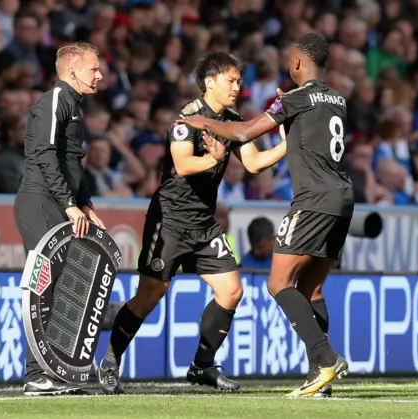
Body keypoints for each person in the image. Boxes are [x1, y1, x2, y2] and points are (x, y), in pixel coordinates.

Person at [96, 52, 287, 395]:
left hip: (204, 224)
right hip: (169, 220)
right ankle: (110, 361)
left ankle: (202, 365)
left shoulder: (231, 120)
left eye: (239, 81)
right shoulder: (186, 119)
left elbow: (255, 163)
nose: (236, 87)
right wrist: (212, 157)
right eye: (231, 80)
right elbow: (182, 165)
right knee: (150, 296)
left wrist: (286, 146)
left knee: (231, 291)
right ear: (210, 81)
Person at [176, 33, 353, 397]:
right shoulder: (337, 99)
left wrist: (204, 124)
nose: (289, 65)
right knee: (312, 288)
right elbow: (306, 137)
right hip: (343, 199)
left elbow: (243, 131)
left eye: (291, 60)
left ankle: (325, 358)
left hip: (313, 201)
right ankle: (319, 381)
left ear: (299, 64)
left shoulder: (297, 98)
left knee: (278, 283)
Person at [13, 41, 106, 396]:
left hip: (59, 203)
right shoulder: (54, 99)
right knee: (43, 286)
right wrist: (69, 203)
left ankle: (57, 370)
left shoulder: (73, 105)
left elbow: (71, 163)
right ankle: (36, 373)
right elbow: (45, 154)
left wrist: (86, 204)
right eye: (93, 68)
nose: (99, 75)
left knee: (65, 287)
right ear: (71, 71)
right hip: (40, 202)